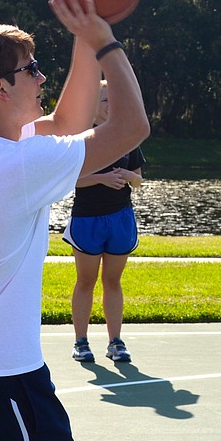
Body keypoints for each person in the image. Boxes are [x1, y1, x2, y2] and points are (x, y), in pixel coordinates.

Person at [0, 0, 149, 441]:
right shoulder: (19, 166)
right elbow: (131, 127)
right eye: (31, 70)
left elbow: (68, 122)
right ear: (2, 88)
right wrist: (106, 43)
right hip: (0, 380)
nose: (41, 78)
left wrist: (83, 39)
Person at [64, 79, 145, 363]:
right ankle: (81, 341)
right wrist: (101, 178)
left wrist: (129, 178)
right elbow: (68, 180)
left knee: (113, 281)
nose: (112, 106)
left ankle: (115, 341)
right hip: (87, 219)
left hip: (120, 218)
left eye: (115, 100)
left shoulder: (127, 137)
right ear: (92, 106)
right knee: (85, 281)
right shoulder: (80, 139)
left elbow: (138, 179)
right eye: (105, 100)